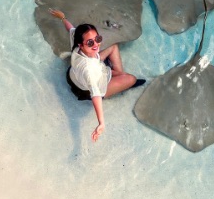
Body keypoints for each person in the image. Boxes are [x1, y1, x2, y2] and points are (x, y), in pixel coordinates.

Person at [49, 9, 145, 142]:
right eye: (90, 43)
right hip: (85, 89)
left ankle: (118, 76)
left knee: (114, 47)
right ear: (81, 45)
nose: (96, 44)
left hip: (76, 73)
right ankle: (122, 80)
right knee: (131, 79)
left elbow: (71, 29)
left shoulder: (77, 41)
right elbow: (95, 95)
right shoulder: (89, 71)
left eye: (97, 39)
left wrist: (62, 18)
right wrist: (101, 123)